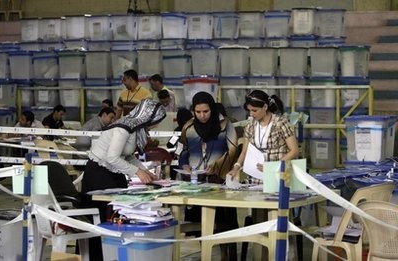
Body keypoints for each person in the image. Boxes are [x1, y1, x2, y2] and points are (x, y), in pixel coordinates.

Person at [81, 99, 166, 261]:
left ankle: (115, 255)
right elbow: (112, 157)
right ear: (148, 117)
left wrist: (146, 171)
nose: (155, 126)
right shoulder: (124, 127)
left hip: (113, 173)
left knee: (118, 215)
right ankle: (98, 257)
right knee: (101, 218)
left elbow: (127, 156)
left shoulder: (135, 129)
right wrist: (138, 173)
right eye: (156, 122)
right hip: (99, 175)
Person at [178, 91, 239, 261]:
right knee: (199, 224)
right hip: (195, 184)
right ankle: (206, 254)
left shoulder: (225, 125)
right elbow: (182, 150)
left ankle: (227, 256)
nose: (202, 116)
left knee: (224, 222)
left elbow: (233, 149)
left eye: (206, 111)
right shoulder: (188, 128)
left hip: (219, 183)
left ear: (212, 109)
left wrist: (217, 165)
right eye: (198, 112)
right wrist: (184, 165)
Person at [228, 90, 299, 179]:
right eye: (249, 111)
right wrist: (236, 167)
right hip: (256, 178)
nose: (251, 114)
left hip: (278, 175)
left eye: (254, 110)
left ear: (265, 106)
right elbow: (244, 151)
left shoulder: (280, 123)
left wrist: (273, 166)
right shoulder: (250, 125)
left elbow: (294, 150)